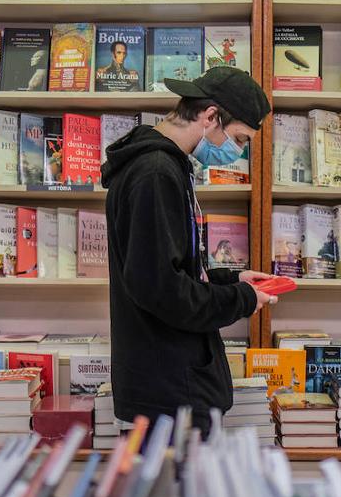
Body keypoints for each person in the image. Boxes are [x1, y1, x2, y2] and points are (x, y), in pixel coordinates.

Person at [101, 66, 276, 435]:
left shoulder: (166, 167)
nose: (238, 152)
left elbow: (170, 267)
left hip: (170, 386)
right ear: (210, 116)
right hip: (168, 395)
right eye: (240, 139)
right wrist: (241, 300)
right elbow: (162, 289)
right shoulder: (155, 172)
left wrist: (233, 278)